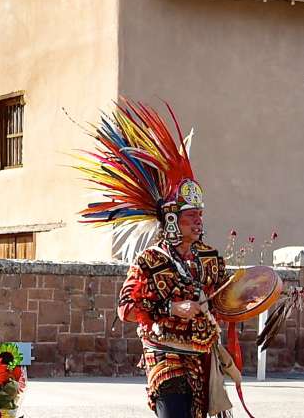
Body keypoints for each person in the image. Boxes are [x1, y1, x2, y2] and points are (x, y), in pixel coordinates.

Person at [78, 100, 239, 418]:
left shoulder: (209, 258)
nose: (199, 221)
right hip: (164, 355)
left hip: (201, 357)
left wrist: (254, 293)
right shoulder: (149, 261)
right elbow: (126, 309)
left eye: (200, 215)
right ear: (171, 221)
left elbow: (225, 298)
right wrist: (171, 307)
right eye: (191, 215)